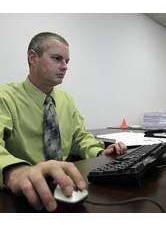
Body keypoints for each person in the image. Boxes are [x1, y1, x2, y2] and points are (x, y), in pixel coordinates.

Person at [0, 32, 127, 212]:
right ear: (33, 58)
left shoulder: (65, 99)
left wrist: (100, 152)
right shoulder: (5, 97)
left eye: (67, 61)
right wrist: (13, 171)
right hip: (26, 192)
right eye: (57, 59)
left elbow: (79, 138)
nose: (65, 67)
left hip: (68, 184)